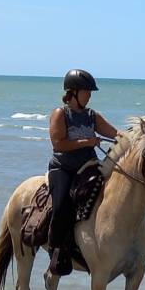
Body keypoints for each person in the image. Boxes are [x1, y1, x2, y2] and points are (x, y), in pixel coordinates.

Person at [45, 68, 118, 276]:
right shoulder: (60, 114)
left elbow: (115, 133)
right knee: (61, 206)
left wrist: (133, 137)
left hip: (89, 168)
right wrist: (89, 141)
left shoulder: (92, 116)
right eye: (87, 91)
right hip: (64, 169)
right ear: (73, 92)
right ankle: (56, 248)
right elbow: (59, 144)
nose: (90, 95)